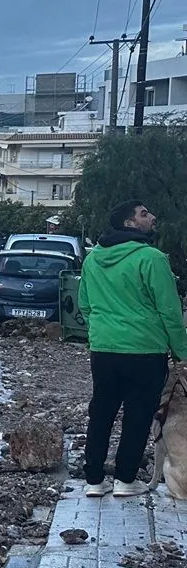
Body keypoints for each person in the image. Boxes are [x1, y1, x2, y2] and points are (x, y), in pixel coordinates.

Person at [77, 200, 187, 497]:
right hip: (144, 350)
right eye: (144, 213)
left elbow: (85, 304)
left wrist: (101, 331)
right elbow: (169, 310)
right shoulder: (152, 258)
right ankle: (125, 479)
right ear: (129, 223)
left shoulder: (93, 259)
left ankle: (93, 480)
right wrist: (182, 351)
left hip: (104, 350)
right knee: (138, 416)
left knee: (101, 412)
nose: (152, 216)